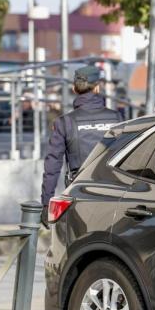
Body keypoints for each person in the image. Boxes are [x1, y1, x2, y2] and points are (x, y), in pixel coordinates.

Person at [41, 66, 124, 209]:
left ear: (74, 89)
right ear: (97, 88)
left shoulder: (64, 122)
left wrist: (46, 203)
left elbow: (52, 165)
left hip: (78, 194)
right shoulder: (117, 118)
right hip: (112, 192)